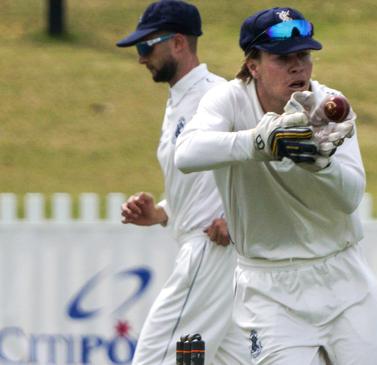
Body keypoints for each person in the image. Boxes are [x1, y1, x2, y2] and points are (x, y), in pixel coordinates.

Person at [175, 7, 377, 365]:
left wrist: (319, 164)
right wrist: (260, 142)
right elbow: (186, 154)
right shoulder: (228, 100)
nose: (298, 67)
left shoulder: (328, 105)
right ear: (253, 65)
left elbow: (351, 195)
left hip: (344, 278)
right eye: (282, 58)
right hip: (270, 287)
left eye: (304, 55)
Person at [115, 1, 248, 364]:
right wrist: (161, 212)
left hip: (211, 247)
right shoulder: (179, 99)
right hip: (206, 247)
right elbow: (204, 181)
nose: (141, 58)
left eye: (146, 47)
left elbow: (260, 160)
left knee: (154, 358)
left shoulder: (217, 95)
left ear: (177, 43)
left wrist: (236, 220)